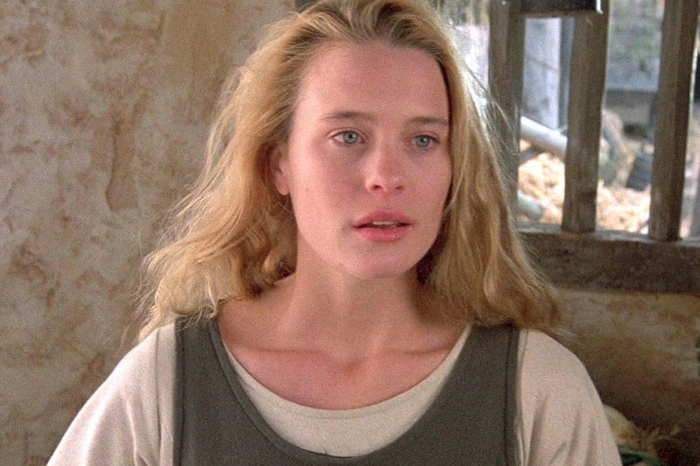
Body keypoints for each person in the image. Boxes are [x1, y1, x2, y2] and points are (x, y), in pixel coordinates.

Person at [48, 0, 623, 464]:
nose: (386, 176)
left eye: (423, 140)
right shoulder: (168, 383)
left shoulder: (538, 391)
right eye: (348, 136)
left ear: (455, 168)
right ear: (278, 164)